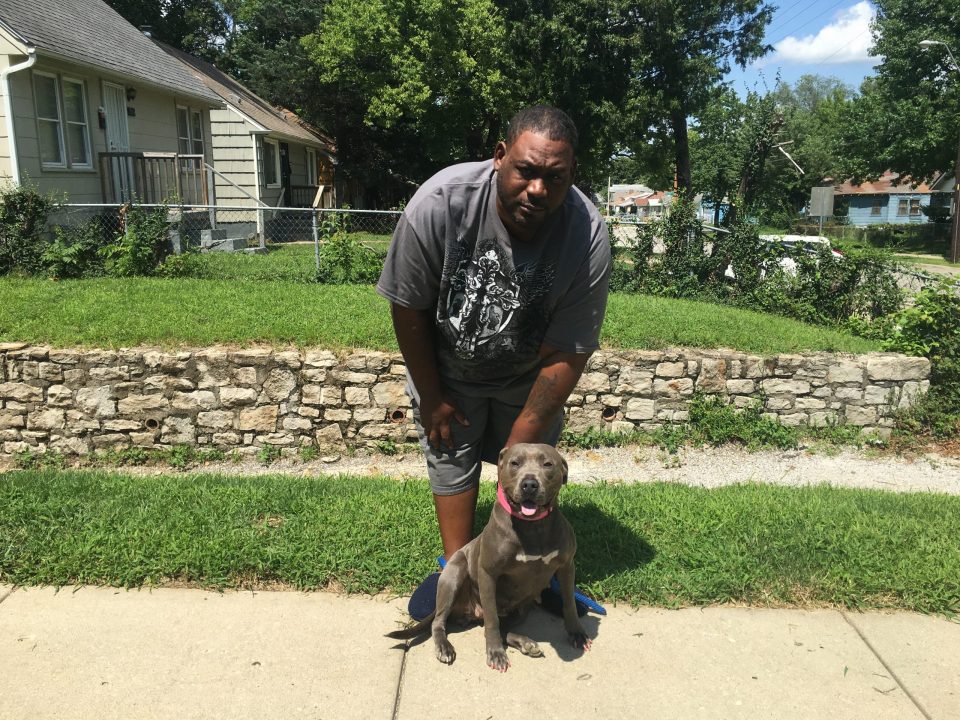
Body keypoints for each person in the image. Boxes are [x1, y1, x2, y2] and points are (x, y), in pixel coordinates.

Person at [376, 105, 611, 619]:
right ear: (500, 157)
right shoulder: (439, 203)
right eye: (526, 170)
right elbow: (408, 306)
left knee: (531, 463)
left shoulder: (586, 233)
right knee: (450, 454)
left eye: (555, 178)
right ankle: (456, 570)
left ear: (572, 176)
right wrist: (433, 397)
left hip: (529, 374)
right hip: (447, 363)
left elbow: (571, 349)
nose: (538, 190)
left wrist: (519, 439)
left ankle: (536, 572)